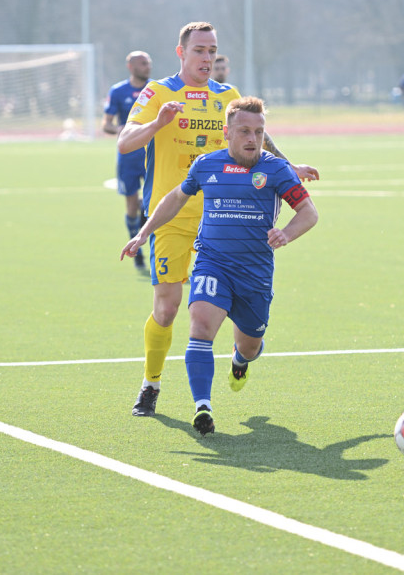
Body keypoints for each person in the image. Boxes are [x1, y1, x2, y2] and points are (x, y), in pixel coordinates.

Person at [116, 21, 319, 417]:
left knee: (234, 321)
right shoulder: (159, 92)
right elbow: (125, 141)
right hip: (171, 214)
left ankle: (241, 355)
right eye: (199, 51)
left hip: (221, 218)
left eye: (212, 51)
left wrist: (289, 166)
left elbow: (257, 135)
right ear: (181, 52)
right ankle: (151, 384)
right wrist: (158, 124)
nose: (207, 58)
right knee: (167, 308)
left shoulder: (227, 95)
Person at [103, 51, 153, 271]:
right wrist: (119, 129)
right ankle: (136, 249)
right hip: (127, 157)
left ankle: (151, 248)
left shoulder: (156, 89)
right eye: (143, 64)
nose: (147, 67)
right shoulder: (118, 91)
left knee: (153, 202)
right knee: (131, 204)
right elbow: (106, 125)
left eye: (148, 63)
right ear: (130, 66)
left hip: (151, 154)